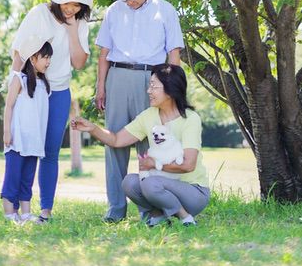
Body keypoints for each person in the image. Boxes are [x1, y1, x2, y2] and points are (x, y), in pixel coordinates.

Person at [95, 0, 184, 222]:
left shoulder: (165, 10)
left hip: (152, 79)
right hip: (117, 77)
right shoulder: (114, 11)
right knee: (114, 143)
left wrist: (171, 90)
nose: (129, 1)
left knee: (151, 144)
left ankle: (150, 211)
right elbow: (103, 54)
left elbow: (174, 55)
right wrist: (101, 86)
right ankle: (115, 210)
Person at [73, 64, 210, 227]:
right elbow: (117, 140)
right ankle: (159, 216)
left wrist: (155, 165)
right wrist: (93, 128)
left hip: (193, 192)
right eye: (149, 85)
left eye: (154, 86)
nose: (148, 91)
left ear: (171, 89)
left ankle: (185, 217)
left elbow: (188, 165)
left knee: (150, 182)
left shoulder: (190, 119)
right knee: (129, 182)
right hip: (161, 186)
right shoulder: (149, 116)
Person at [10, 0, 92, 221]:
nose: (71, 8)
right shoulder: (39, 14)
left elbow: (79, 64)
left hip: (58, 92)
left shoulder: (80, 24)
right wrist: (16, 87)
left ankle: (45, 210)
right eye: (67, 2)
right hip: (32, 90)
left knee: (50, 151)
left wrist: (73, 31)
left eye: (77, 4)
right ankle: (14, 208)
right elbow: (18, 53)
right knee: (24, 148)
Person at [1, 36, 52, 224]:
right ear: (32, 58)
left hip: (34, 142)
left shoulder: (44, 85)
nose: (48, 62)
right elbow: (8, 106)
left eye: (49, 58)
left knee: (27, 178)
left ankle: (25, 214)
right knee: (13, 176)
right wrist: (7, 131)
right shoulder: (18, 79)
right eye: (45, 57)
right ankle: (9, 214)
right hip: (17, 139)